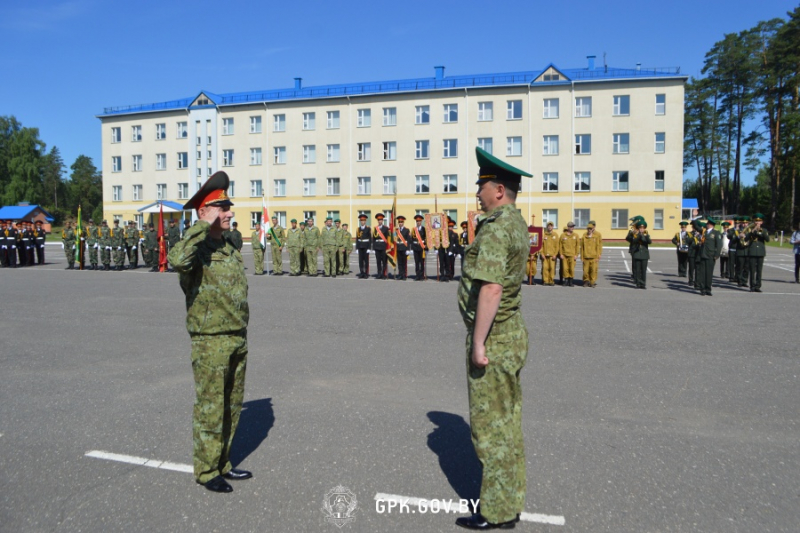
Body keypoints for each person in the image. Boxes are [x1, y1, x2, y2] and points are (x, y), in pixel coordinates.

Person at [455, 147, 531, 530]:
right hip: (511, 331)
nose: (477, 193)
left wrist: (478, 343)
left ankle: (497, 512)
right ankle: (509, 500)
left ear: (498, 189)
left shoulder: (498, 227)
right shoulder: (516, 222)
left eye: (481, 186)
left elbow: (491, 289)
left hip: (496, 337)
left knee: (490, 429)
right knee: (509, 422)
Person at [168, 171, 251, 494]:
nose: (229, 212)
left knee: (231, 404)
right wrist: (202, 224)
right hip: (210, 340)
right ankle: (205, 470)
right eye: (221, 207)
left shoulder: (229, 244)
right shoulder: (195, 250)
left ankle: (222, 463)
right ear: (204, 212)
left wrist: (215, 223)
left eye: (229, 205)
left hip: (237, 336)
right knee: (210, 407)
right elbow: (177, 259)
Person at [697, 217, 722, 296]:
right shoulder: (704, 232)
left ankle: (708, 289)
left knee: (709, 273)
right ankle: (702, 289)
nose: (706, 225)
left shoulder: (716, 233)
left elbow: (719, 245)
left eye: (707, 224)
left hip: (711, 255)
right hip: (703, 254)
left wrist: (717, 255)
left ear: (711, 225)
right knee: (702, 273)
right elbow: (696, 224)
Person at [747, 213, 769, 292]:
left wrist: (760, 232)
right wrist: (753, 230)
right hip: (752, 251)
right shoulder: (750, 230)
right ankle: (752, 286)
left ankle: (758, 286)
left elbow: (767, 239)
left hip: (760, 252)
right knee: (752, 270)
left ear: (762, 222)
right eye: (756, 221)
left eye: (759, 221)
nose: (757, 223)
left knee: (759, 270)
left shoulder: (764, 230)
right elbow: (746, 238)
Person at [626, 219, 651, 289]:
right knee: (637, 270)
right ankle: (638, 283)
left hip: (644, 255)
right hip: (637, 254)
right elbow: (634, 241)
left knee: (643, 270)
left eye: (643, 228)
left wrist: (644, 236)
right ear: (638, 228)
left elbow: (649, 242)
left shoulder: (646, 234)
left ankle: (643, 284)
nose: (642, 229)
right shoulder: (636, 235)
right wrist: (639, 235)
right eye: (640, 228)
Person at [580, 221, 602, 287]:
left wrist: (599, 255)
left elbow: (599, 246)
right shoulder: (584, 236)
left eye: (591, 228)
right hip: (586, 256)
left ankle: (592, 282)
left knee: (593, 270)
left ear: (593, 227)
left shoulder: (597, 235)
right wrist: (582, 256)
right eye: (588, 228)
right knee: (586, 271)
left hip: (593, 256)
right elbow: (582, 247)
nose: (590, 230)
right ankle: (586, 281)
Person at [558, 221, 580, 287]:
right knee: (565, 269)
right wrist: (561, 254)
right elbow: (560, 245)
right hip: (564, 255)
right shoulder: (563, 235)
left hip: (572, 255)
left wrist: (576, 254)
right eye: (571, 227)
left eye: (573, 227)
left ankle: (571, 281)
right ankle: (566, 280)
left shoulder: (576, 235)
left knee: (572, 269)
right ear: (568, 227)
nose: (572, 228)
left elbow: (577, 246)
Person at [734, 216, 750, 287]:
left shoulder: (750, 230)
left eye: (746, 223)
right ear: (741, 223)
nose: (744, 224)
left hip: (748, 251)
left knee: (747, 267)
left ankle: (744, 281)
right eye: (743, 223)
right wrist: (738, 236)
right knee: (739, 267)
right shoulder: (737, 231)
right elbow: (732, 240)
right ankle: (739, 281)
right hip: (740, 251)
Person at [540, 221, 558, 286]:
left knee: (552, 269)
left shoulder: (555, 235)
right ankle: (545, 281)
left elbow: (557, 246)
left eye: (551, 226)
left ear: (553, 227)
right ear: (547, 227)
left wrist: (555, 254)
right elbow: (541, 245)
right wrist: (541, 253)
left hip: (552, 256)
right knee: (545, 268)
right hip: (545, 256)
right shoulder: (544, 235)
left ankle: (551, 281)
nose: (550, 227)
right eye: (548, 226)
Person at [372, 213, 390, 279]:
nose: (380, 221)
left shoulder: (386, 228)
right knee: (378, 261)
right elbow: (373, 239)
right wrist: (373, 248)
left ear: (382, 221)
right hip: (377, 246)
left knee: (384, 261)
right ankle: (379, 273)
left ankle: (384, 273)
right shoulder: (375, 228)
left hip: (383, 246)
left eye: (381, 220)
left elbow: (388, 238)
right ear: (377, 221)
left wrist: (387, 247)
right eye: (379, 220)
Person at [410, 214, 427, 280]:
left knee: (422, 262)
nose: (418, 222)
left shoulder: (424, 229)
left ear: (421, 221)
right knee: (416, 262)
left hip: (421, 248)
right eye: (417, 221)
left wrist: (426, 248)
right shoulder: (414, 229)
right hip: (415, 247)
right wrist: (411, 248)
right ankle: (417, 275)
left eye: (419, 221)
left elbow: (426, 239)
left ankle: (422, 275)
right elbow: (411, 239)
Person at [355, 214, 372, 279]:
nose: (362, 222)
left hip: (366, 246)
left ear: (365, 221)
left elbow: (370, 239)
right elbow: (357, 239)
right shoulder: (358, 229)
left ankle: (366, 273)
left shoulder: (368, 228)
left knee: (366, 261)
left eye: (364, 220)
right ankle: (361, 272)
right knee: (360, 261)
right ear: (360, 221)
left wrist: (369, 248)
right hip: (360, 246)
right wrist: (356, 248)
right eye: (361, 220)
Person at [395, 215, 410, 280]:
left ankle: (404, 274)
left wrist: (408, 249)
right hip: (398, 248)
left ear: (403, 222)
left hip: (404, 247)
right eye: (399, 222)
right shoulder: (396, 230)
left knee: (404, 262)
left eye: (401, 222)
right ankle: (400, 274)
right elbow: (394, 239)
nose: (400, 223)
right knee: (399, 262)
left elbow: (409, 240)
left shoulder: (407, 230)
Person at [727, 217, 738, 282]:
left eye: (738, 223)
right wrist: (735, 230)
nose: (737, 224)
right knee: (731, 263)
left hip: (738, 249)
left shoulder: (742, 230)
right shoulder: (731, 230)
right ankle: (731, 276)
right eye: (736, 223)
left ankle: (737, 276)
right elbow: (729, 236)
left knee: (738, 264)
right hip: (732, 248)